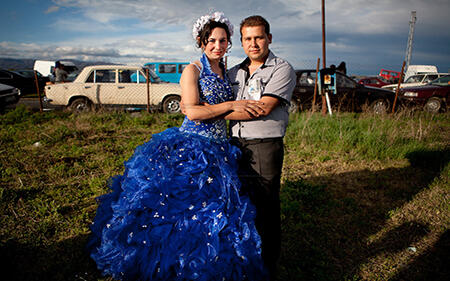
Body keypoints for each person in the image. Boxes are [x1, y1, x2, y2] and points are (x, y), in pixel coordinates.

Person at [88, 12, 269, 281]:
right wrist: (228, 105)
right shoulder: (192, 69)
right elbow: (193, 113)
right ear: (201, 41)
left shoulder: (226, 70)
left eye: (223, 41)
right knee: (178, 209)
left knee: (217, 212)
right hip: (194, 147)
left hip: (221, 149)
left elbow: (202, 108)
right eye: (212, 41)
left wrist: (209, 108)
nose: (217, 47)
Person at [226, 15, 296, 279]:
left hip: (264, 146)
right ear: (241, 42)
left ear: (269, 38)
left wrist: (210, 113)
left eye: (258, 37)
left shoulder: (281, 69)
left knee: (266, 206)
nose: (253, 43)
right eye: (247, 38)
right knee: (240, 203)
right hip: (234, 144)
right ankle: (244, 259)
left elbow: (263, 107)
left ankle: (268, 265)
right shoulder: (235, 72)